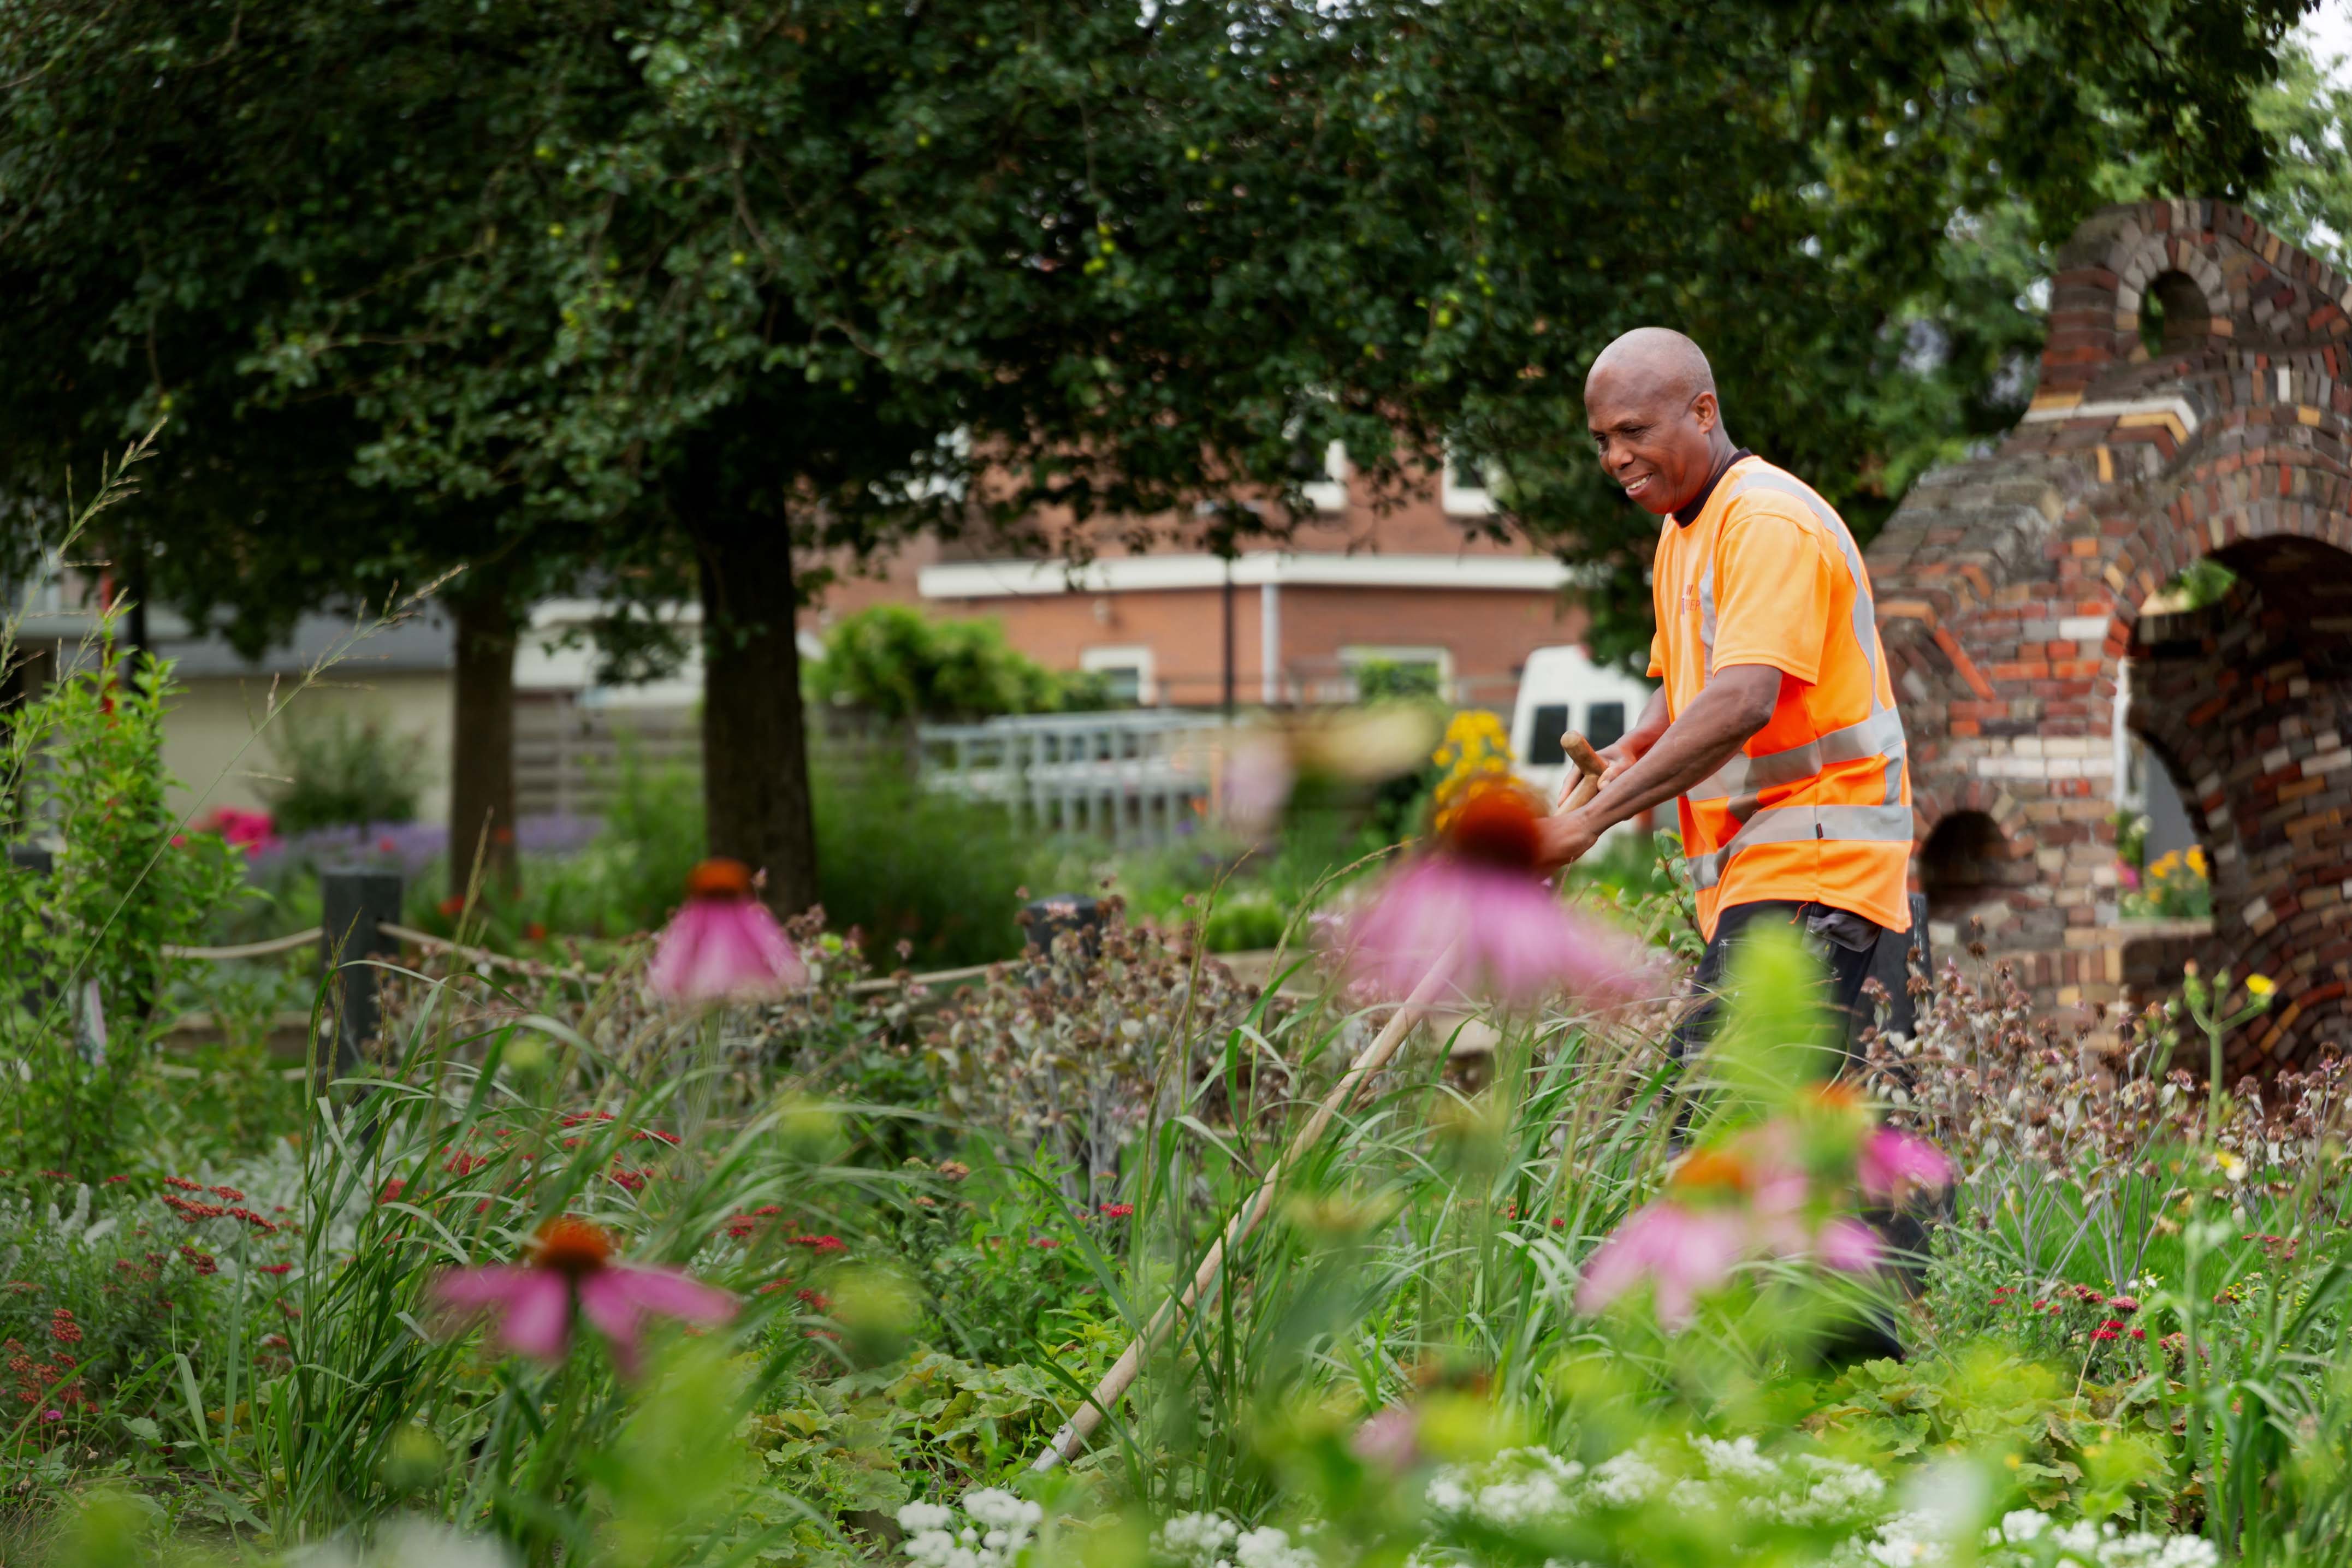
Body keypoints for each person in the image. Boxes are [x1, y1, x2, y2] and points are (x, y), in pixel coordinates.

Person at [1535, 327, 1912, 1074]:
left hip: (1817, 869)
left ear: (1703, 412)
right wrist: (1635, 745)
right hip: (1787, 875)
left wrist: (1588, 822)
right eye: (1603, 440)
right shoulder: (1685, 530)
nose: (1615, 459)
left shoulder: (1765, 522)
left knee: (1707, 1131)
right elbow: (1692, 685)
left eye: (1633, 432)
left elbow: (1741, 700)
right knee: (1842, 1165)